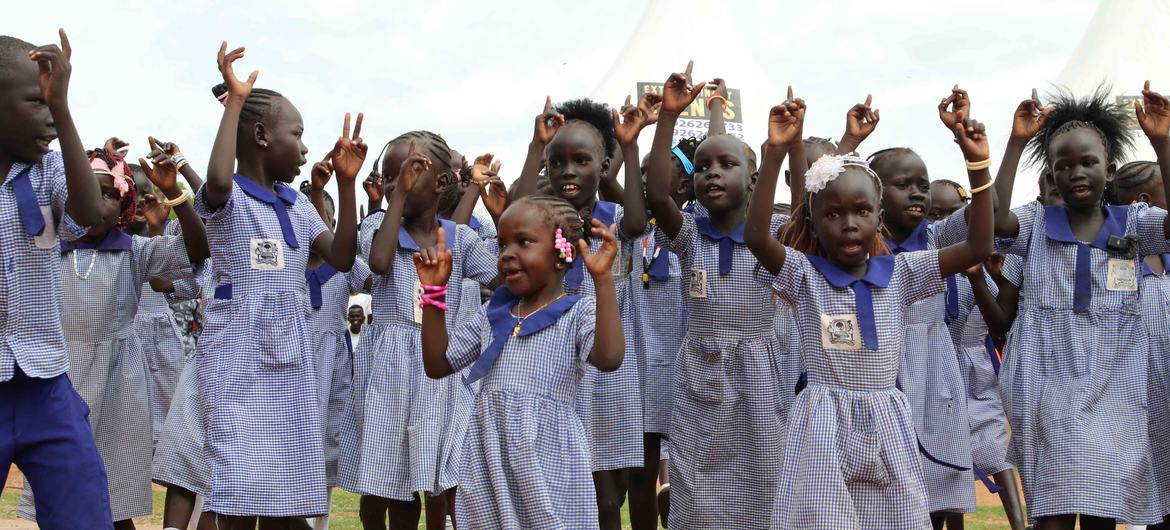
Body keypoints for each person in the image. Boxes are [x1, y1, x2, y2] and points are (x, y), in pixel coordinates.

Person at [744, 87, 993, 529]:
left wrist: (978, 167)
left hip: (888, 420)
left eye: (861, 211)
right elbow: (757, 239)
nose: (849, 223)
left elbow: (978, 244)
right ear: (814, 222)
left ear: (879, 217)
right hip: (821, 422)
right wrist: (775, 154)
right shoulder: (805, 275)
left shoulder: (903, 273)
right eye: (834, 214)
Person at [990, 83, 1170, 529]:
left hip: (1116, 379)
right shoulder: (1034, 222)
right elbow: (994, 222)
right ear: (1052, 174)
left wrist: (1162, 141)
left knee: (1101, 505)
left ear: (1109, 170)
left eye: (1088, 162)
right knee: (1054, 502)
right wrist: (1015, 143)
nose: (1076, 172)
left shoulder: (1134, 222)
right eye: (1063, 165)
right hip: (1045, 374)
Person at [196, 42, 362, 527]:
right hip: (240, 362)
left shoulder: (298, 203)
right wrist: (233, 105)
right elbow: (218, 180)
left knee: (288, 497)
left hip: (293, 357)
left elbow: (342, 255)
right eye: (298, 134)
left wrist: (347, 186)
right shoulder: (229, 200)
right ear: (263, 136)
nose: (306, 148)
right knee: (238, 491)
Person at [644, 63, 797, 528]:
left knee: (764, 476)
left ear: (753, 179)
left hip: (760, 371)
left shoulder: (772, 231)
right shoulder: (689, 234)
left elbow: (808, 208)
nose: (712, 174)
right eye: (703, 167)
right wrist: (668, 117)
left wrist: (781, 150)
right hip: (700, 371)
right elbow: (655, 195)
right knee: (696, 475)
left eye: (727, 165)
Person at [416, 196, 625, 529]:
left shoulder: (577, 312)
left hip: (548, 457)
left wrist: (602, 281)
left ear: (561, 253)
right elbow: (439, 364)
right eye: (502, 244)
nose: (507, 254)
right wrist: (433, 294)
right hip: (490, 454)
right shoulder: (493, 313)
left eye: (523, 242)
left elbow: (610, 357)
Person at [341, 134, 496, 530]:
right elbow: (377, 263)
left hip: (441, 368)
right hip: (388, 372)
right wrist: (396, 198)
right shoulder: (379, 223)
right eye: (390, 176)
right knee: (389, 485)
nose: (398, 183)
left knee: (442, 481)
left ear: (442, 183)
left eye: (411, 173)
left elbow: (502, 277)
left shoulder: (459, 240)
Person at [0, 29, 119, 528]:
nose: (49, 114)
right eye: (37, 101)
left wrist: (63, 109)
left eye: (56, 101)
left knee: (84, 512)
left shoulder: (47, 170)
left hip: (44, 383)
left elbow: (90, 213)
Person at [511, 94, 646, 529]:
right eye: (557, 162)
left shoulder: (615, 217)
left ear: (603, 167)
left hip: (606, 371)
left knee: (609, 496)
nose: (568, 172)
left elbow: (641, 222)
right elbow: (515, 207)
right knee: (554, 487)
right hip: (555, 370)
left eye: (582, 161)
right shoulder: (543, 221)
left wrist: (630, 146)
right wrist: (536, 146)